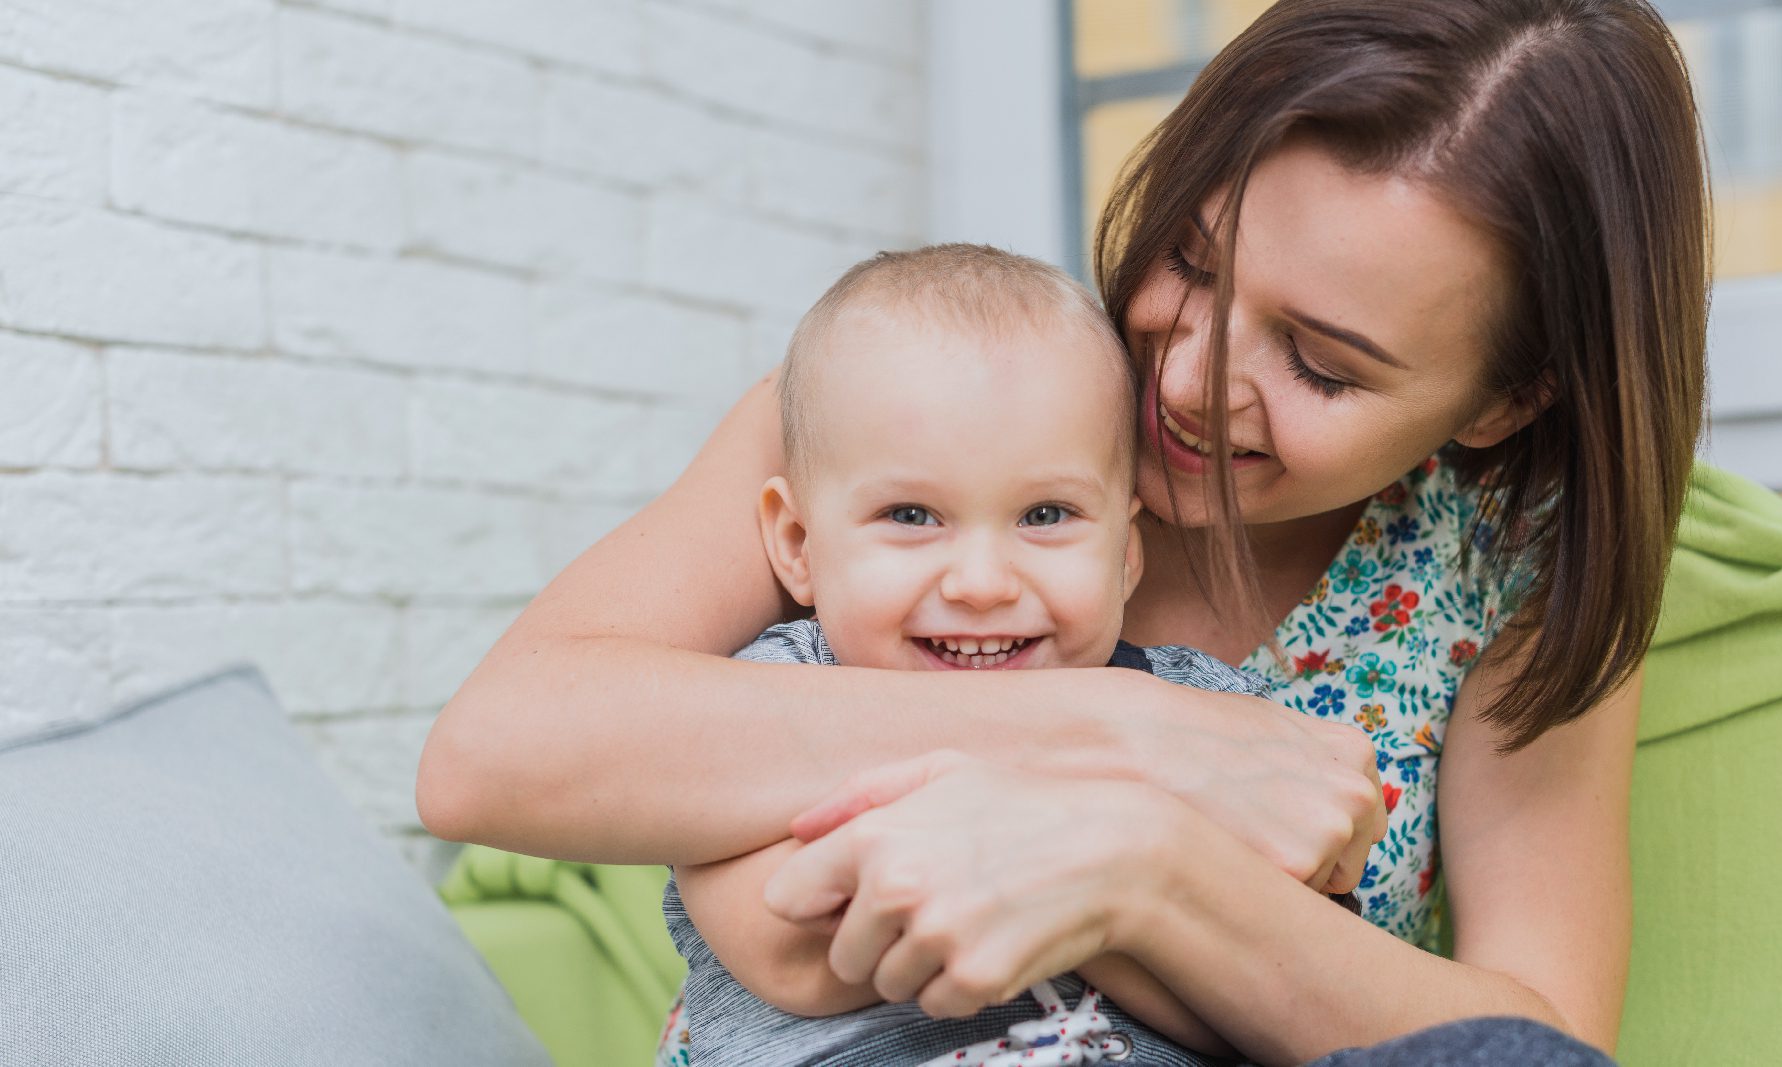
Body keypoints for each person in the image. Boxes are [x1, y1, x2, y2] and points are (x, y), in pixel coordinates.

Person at [417, 1, 1705, 1062]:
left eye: (1319, 362)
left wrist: (1141, 867)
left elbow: (1537, 1044)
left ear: (1502, 400)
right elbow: (494, 755)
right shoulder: (925, 393)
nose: (1190, 375)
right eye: (1194, 263)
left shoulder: (1506, 558)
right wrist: (1128, 733)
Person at [666, 242, 1348, 1064]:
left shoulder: (1208, 716)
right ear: (799, 543)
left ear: (1126, 551)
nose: (984, 581)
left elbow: (1285, 992)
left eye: (1046, 514)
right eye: (913, 515)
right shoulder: (764, 694)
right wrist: (1139, 891)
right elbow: (796, 951)